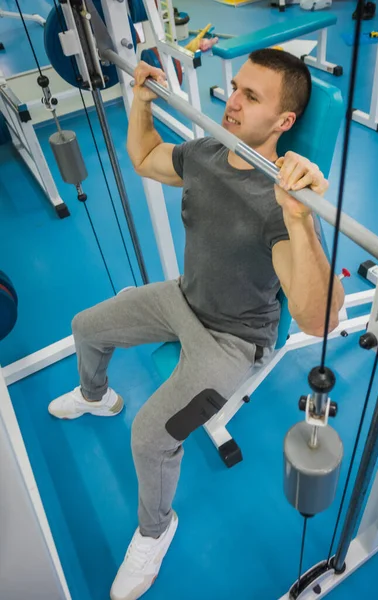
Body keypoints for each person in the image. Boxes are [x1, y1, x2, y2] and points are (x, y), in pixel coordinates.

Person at [48, 49, 344, 600]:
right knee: (85, 325)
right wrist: (138, 101)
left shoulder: (280, 203)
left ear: (284, 122)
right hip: (184, 298)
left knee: (151, 435)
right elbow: (146, 157)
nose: (231, 101)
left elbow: (317, 317)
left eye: (251, 97)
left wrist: (300, 218)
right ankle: (95, 396)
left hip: (233, 339)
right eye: (236, 88)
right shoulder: (208, 152)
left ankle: (156, 530)